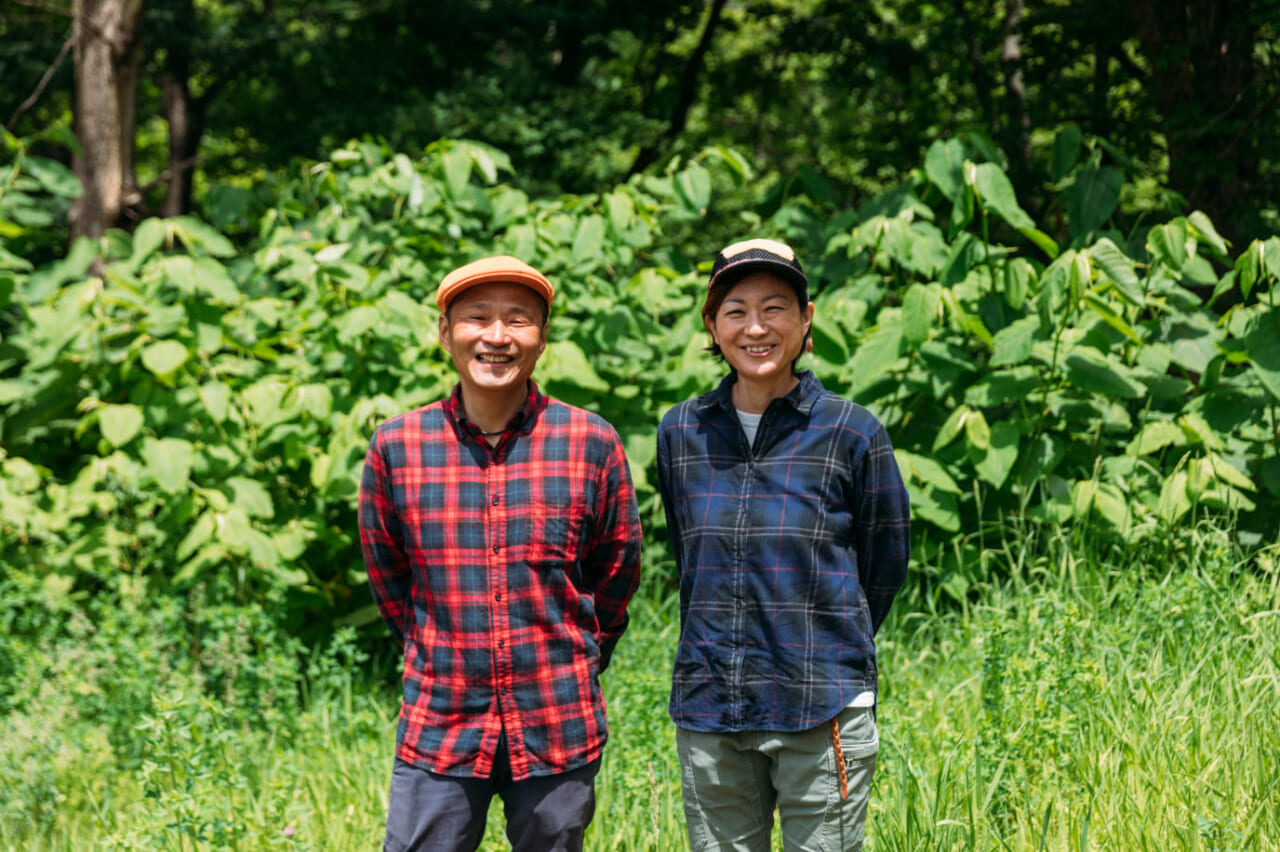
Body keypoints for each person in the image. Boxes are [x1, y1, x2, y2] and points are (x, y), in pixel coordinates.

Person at [359, 255, 643, 852]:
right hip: (441, 719)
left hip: (557, 717)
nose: (496, 336)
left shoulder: (590, 442)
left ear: (542, 338)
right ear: (445, 332)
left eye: (517, 320)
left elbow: (615, 575)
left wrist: (580, 656)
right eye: (476, 318)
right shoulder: (398, 446)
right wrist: (431, 650)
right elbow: (389, 577)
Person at [656, 238, 911, 851]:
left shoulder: (852, 432)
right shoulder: (681, 431)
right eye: (736, 310)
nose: (756, 327)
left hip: (820, 704)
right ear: (712, 326)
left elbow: (884, 564)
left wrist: (823, 639)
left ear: (805, 319)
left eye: (774, 308)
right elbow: (688, 555)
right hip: (711, 703)